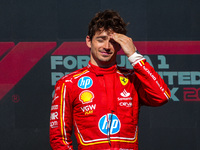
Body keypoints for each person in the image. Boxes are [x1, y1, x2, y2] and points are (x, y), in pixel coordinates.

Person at [49, 10, 171, 150]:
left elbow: (162, 97)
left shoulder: (132, 79)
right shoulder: (69, 83)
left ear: (121, 44)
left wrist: (133, 55)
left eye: (113, 42)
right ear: (89, 41)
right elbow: (59, 138)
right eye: (100, 39)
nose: (106, 47)